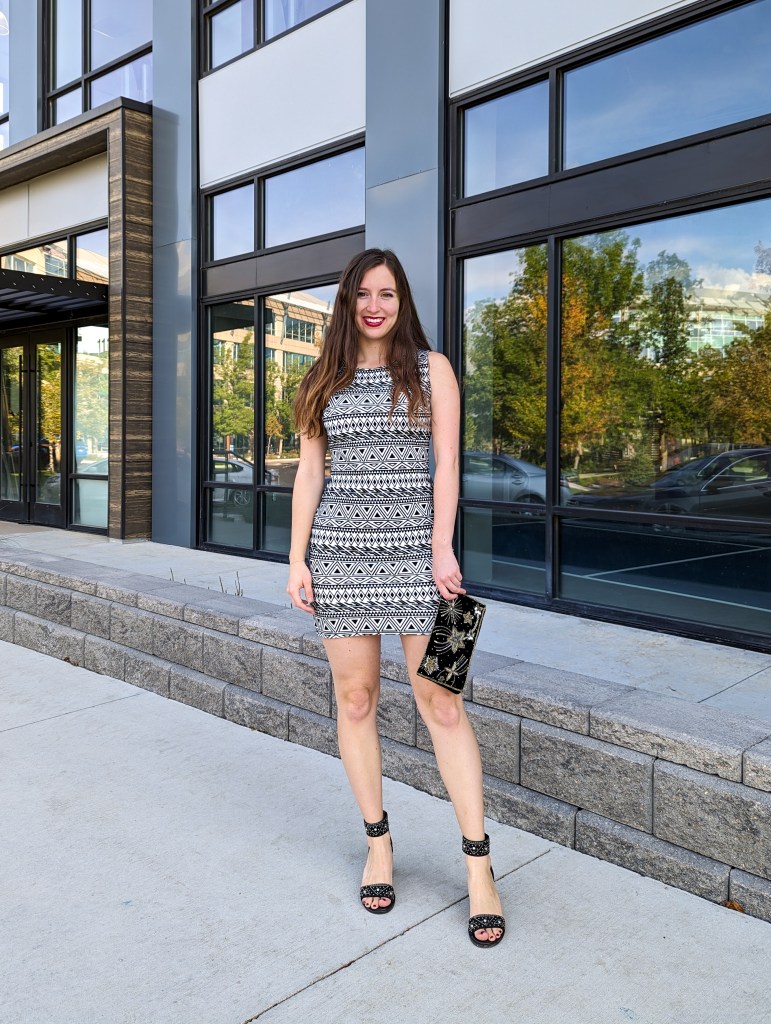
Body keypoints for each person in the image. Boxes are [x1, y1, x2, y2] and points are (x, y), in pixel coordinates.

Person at [286, 249, 505, 948]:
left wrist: (443, 546)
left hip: (424, 561)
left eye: (386, 293)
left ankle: (479, 868)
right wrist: (296, 559)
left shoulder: (431, 368)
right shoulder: (322, 377)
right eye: (361, 295)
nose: (374, 305)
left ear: (400, 299)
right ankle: (377, 843)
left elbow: (446, 463)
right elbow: (309, 472)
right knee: (354, 701)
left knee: (443, 700)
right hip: (341, 558)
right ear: (347, 302)